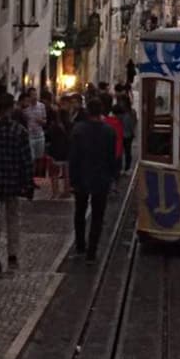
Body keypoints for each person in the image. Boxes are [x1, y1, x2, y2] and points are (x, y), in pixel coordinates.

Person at [0, 93, 34, 274]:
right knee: (13, 219)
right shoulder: (19, 132)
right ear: (11, 109)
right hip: (12, 183)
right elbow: (26, 161)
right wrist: (28, 184)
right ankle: (12, 256)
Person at [69, 98, 119, 262]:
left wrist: (72, 179)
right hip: (101, 178)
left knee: (79, 213)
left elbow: (73, 157)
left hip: (81, 177)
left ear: (88, 112)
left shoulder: (78, 130)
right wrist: (113, 178)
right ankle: (92, 252)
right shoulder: (109, 132)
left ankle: (80, 246)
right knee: (98, 216)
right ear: (101, 112)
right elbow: (113, 158)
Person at [46, 101, 72, 198]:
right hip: (67, 150)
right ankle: (67, 191)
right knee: (66, 173)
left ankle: (55, 192)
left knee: (54, 173)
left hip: (55, 151)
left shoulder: (54, 126)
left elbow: (49, 137)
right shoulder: (70, 125)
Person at [22, 86, 48, 178]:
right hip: (30, 136)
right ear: (29, 96)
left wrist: (41, 121)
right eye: (32, 95)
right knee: (32, 158)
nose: (34, 96)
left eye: (35, 94)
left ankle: (39, 176)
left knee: (40, 157)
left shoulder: (41, 106)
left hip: (40, 134)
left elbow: (45, 121)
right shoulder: (25, 109)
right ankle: (32, 177)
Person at [101, 93, 125, 178]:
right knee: (115, 172)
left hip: (106, 152)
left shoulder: (105, 121)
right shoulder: (117, 123)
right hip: (116, 151)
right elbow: (119, 138)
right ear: (118, 114)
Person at [117, 95, 137, 172]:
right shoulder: (127, 112)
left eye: (122, 102)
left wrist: (132, 132)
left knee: (127, 151)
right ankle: (123, 168)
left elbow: (133, 123)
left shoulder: (130, 112)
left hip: (127, 134)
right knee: (123, 151)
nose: (121, 104)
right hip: (124, 134)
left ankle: (127, 167)